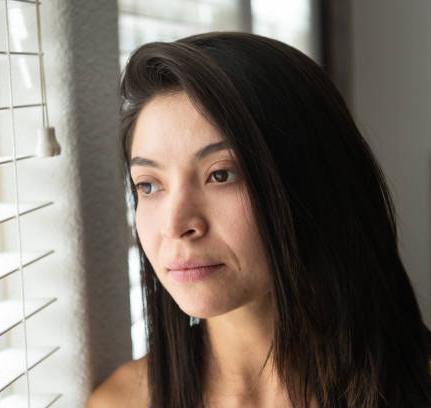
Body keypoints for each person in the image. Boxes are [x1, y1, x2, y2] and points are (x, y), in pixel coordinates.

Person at [87, 32, 431, 408]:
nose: (176, 224)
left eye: (221, 175)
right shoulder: (121, 402)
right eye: (149, 186)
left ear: (311, 185)